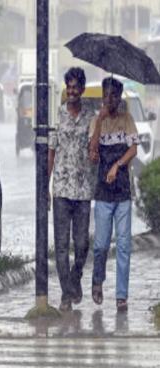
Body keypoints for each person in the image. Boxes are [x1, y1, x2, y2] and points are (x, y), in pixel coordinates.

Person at [47, 67, 96, 312]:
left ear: (83, 89)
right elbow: (51, 150)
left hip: (84, 189)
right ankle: (66, 295)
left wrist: (95, 152)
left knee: (82, 243)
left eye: (76, 87)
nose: (73, 91)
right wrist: (46, 185)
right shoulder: (58, 115)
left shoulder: (91, 117)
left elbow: (95, 149)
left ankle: (76, 277)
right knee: (62, 245)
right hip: (61, 190)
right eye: (69, 86)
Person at [88, 77, 139, 312]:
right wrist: (100, 119)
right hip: (102, 193)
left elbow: (133, 149)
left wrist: (117, 165)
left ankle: (121, 295)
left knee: (124, 245)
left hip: (123, 194)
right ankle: (97, 281)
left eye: (115, 96)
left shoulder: (127, 119)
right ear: (102, 97)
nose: (111, 100)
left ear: (120, 97)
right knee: (100, 245)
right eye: (107, 96)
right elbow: (92, 151)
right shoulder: (96, 121)